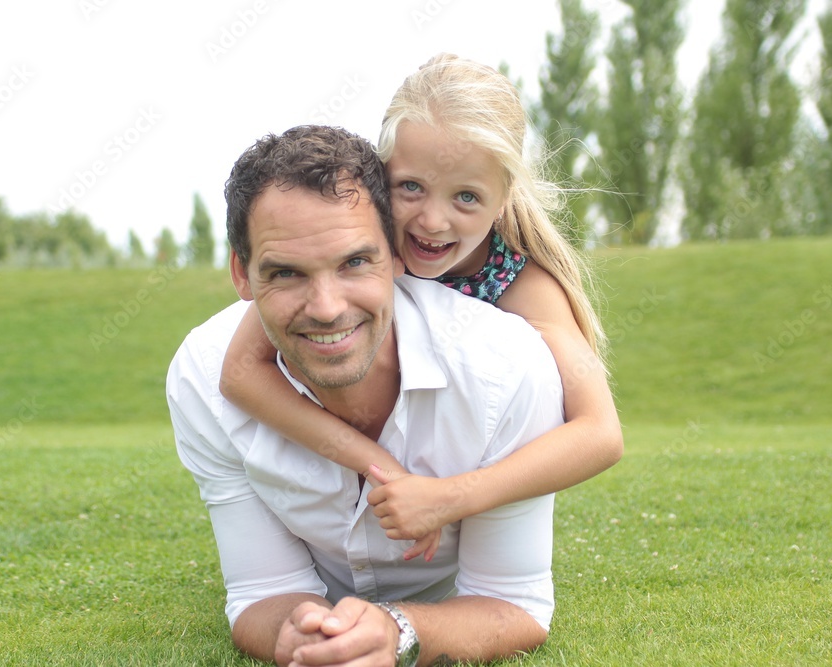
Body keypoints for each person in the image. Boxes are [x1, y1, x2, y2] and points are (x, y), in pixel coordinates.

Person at [168, 124, 565, 665]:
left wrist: (395, 632)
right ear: (242, 274)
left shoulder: (507, 368)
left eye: (355, 262)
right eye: (285, 273)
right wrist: (297, 636)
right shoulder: (202, 374)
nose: (327, 307)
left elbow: (512, 605)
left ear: (398, 256)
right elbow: (262, 591)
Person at [220, 53, 623, 561]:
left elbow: (600, 434)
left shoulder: (524, 286)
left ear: (504, 199)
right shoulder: (350, 255)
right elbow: (239, 373)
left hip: (471, 505)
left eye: (467, 198)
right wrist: (383, 469)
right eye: (410, 187)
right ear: (379, 175)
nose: (432, 221)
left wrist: (449, 499)